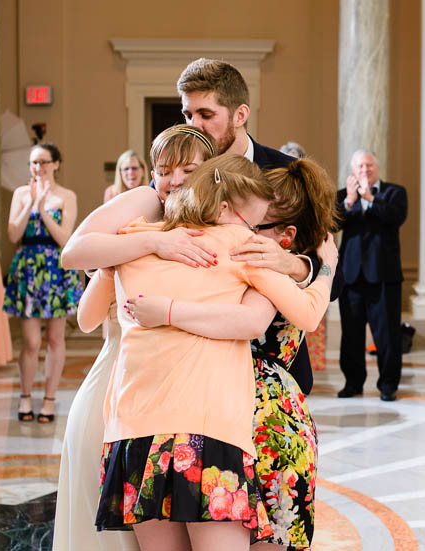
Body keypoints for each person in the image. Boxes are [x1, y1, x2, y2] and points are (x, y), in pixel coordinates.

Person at [86, 155, 336, 550]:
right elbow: (290, 315)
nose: (252, 231)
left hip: (190, 424)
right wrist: (324, 268)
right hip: (213, 420)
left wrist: (152, 292)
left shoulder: (147, 237)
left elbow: (85, 307)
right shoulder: (233, 247)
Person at [52, 125, 215, 551]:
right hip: (120, 389)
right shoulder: (148, 207)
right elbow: (74, 256)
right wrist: (151, 243)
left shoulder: (218, 217)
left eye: (189, 169)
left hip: (176, 397)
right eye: (164, 170)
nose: (175, 179)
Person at [176, 58, 326, 397]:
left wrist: (292, 265)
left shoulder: (289, 172)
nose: (193, 125)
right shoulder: (178, 176)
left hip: (275, 375)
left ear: (240, 114)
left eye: (206, 115)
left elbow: (335, 272)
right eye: (188, 115)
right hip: (193, 364)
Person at [3, 143, 83, 423]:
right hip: (28, 269)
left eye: (44, 162)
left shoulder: (66, 196)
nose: (38, 168)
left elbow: (65, 239)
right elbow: (13, 235)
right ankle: (25, 397)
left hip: (55, 270)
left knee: (54, 339)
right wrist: (31, 204)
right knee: (31, 341)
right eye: (34, 163)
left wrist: (45, 211)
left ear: (56, 164)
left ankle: (49, 399)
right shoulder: (20, 194)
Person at [336, 149, 408, 402]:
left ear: (377, 167)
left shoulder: (395, 192)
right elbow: (333, 223)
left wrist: (370, 198)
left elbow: (395, 217)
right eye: (360, 167)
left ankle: (388, 385)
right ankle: (353, 382)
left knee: (387, 334)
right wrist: (351, 201)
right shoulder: (344, 196)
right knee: (351, 334)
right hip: (352, 277)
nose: (365, 170)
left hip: (384, 276)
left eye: (369, 165)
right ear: (353, 171)